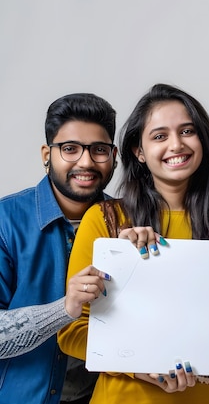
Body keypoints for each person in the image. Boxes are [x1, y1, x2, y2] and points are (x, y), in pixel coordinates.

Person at [57, 83, 209, 404]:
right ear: (139, 151)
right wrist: (139, 365)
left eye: (187, 131)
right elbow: (71, 333)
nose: (176, 144)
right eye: (160, 136)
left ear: (203, 140)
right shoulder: (105, 220)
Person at [0, 93, 116, 404]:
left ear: (114, 156)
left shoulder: (128, 221)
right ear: (46, 155)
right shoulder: (5, 220)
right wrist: (64, 309)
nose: (86, 162)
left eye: (99, 150)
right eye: (70, 149)